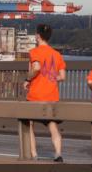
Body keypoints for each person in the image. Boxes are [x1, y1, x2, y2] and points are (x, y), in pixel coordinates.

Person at [24, 23, 66, 162]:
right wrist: (52, 78)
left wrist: (27, 79)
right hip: (51, 96)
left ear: (38, 36)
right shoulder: (57, 54)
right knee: (52, 126)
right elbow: (62, 76)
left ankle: (34, 154)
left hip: (35, 95)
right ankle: (58, 153)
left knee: (29, 125)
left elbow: (36, 67)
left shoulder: (34, 52)